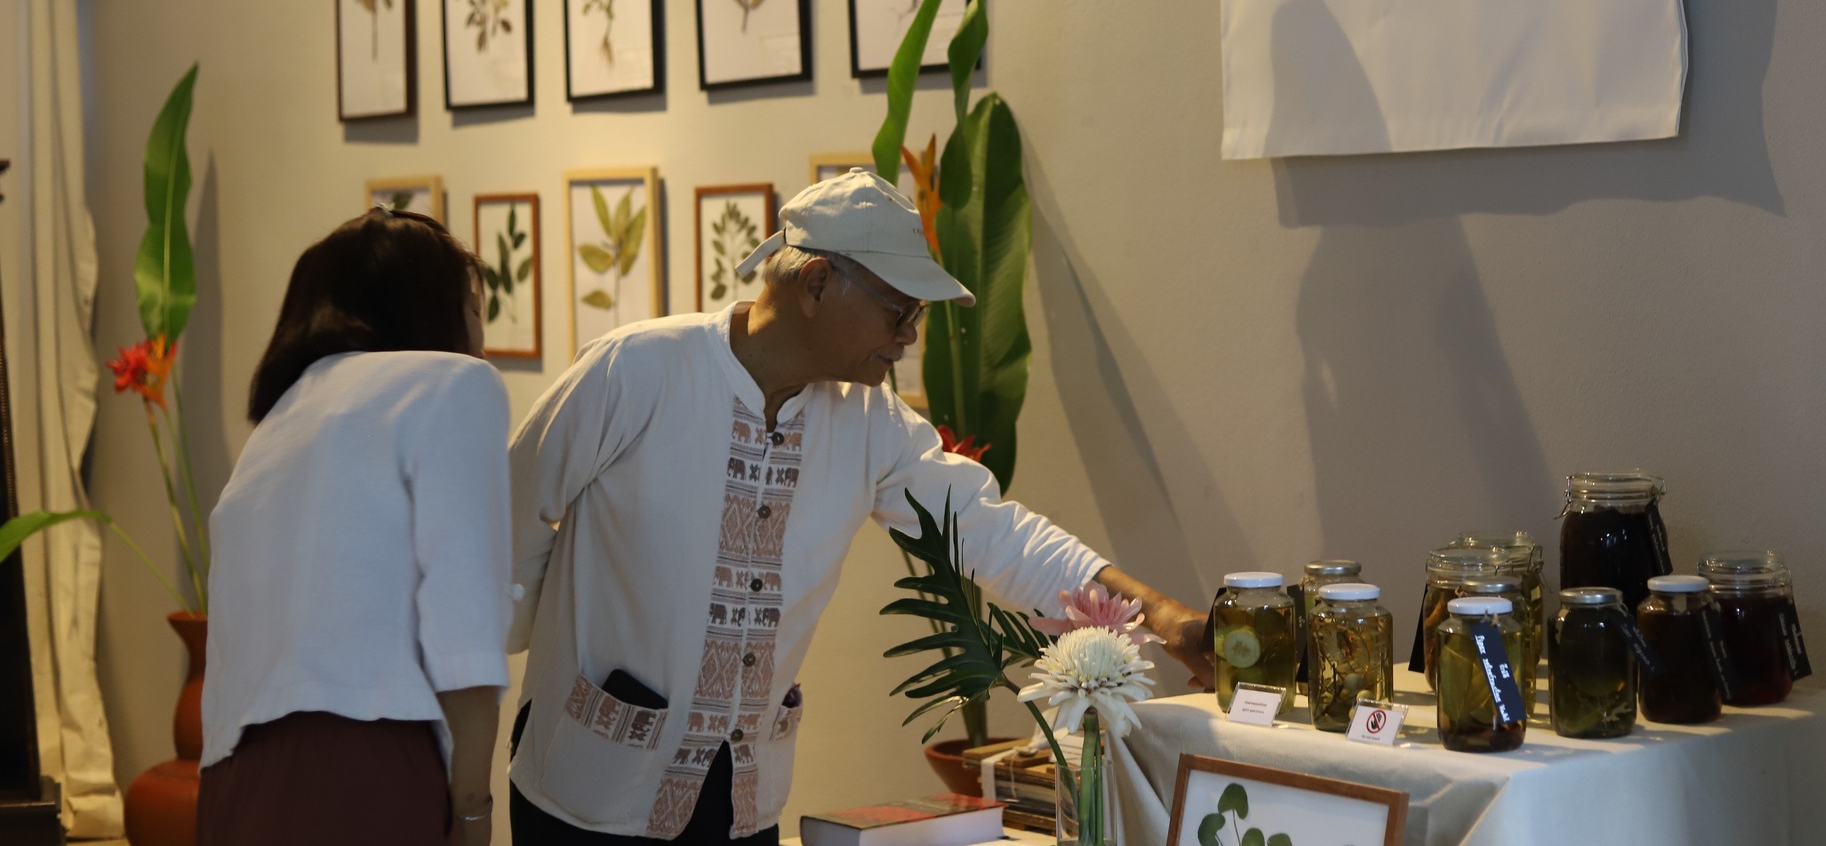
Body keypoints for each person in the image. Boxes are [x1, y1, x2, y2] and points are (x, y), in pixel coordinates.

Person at [505, 170, 1210, 843]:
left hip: (740, 805)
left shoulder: (869, 422)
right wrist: (569, 641)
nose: (909, 336)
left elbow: (998, 534)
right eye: (900, 311)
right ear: (817, 283)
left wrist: (1164, 618)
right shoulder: (636, 370)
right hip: (587, 793)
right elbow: (508, 519)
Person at [199, 209, 513, 846]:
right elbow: (467, 647)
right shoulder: (456, 384)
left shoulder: (279, 422)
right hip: (367, 770)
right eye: (475, 308)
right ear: (431, 310)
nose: (482, 336)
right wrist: (473, 813)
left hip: (233, 783)